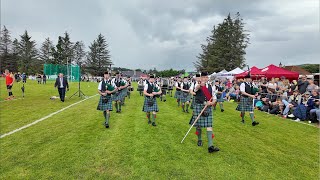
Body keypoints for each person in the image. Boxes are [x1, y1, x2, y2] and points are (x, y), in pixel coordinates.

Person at [190, 72, 219, 153]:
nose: (205, 79)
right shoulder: (197, 84)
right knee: (198, 126)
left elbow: (214, 97)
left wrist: (212, 103)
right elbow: (195, 89)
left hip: (208, 107)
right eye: (203, 77)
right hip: (199, 107)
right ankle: (199, 139)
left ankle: (210, 146)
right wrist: (200, 85)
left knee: (209, 125)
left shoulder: (211, 86)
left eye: (206, 77)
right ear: (200, 78)